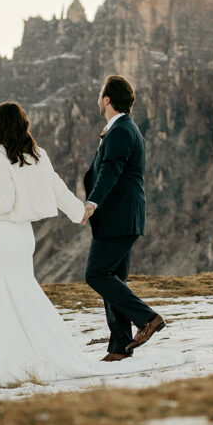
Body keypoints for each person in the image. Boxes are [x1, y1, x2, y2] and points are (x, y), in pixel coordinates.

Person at [0, 101, 174, 386]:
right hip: (24, 237)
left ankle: (8, 359)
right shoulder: (34, 153)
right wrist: (78, 212)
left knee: (11, 296)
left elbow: (2, 201)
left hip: (8, 235)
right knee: (3, 296)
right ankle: (13, 355)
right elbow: (55, 185)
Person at [83, 75, 166, 361]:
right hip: (122, 218)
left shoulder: (120, 130)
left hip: (117, 218)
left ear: (107, 99)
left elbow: (111, 169)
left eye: (99, 93)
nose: (98, 99)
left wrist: (92, 201)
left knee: (96, 274)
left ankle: (147, 318)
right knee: (113, 278)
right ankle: (119, 347)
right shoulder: (122, 128)